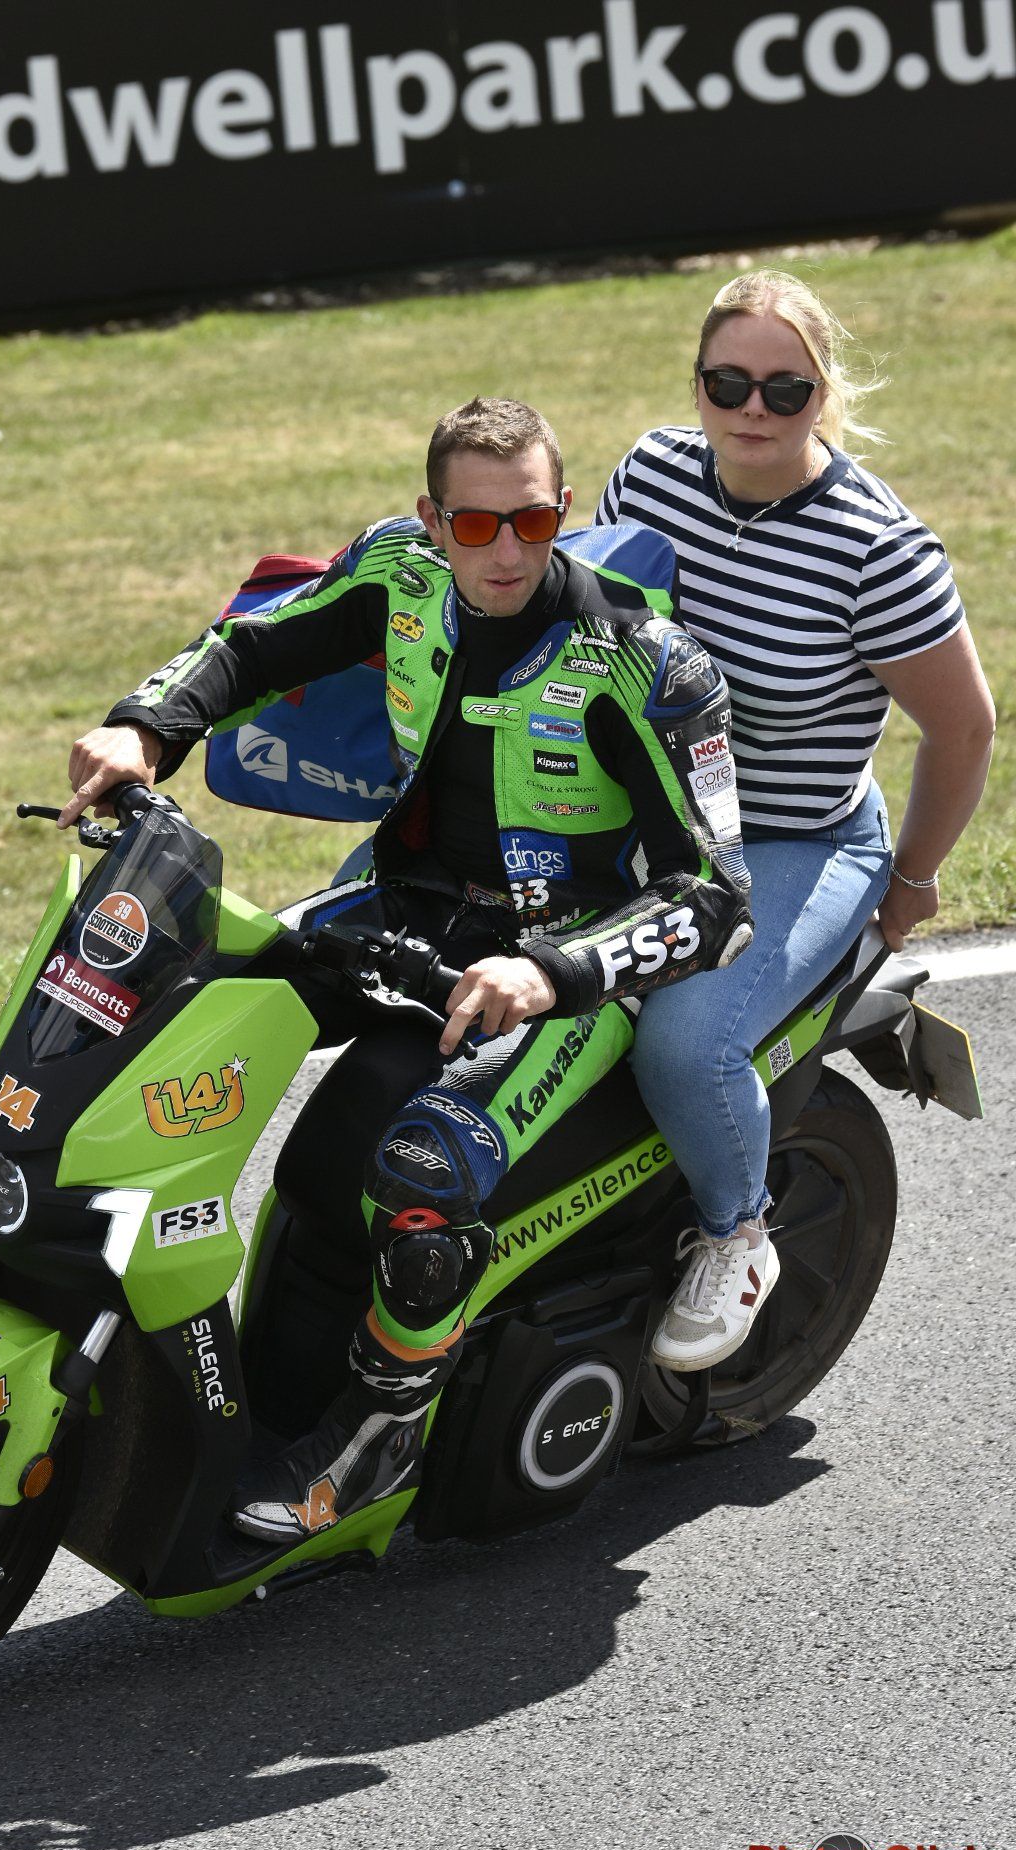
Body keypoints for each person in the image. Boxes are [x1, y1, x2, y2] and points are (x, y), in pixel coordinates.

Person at [60, 396, 754, 1544]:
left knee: (420, 1167)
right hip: (405, 907)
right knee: (155, 984)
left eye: (529, 523)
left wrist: (558, 975)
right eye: (474, 527)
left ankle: (378, 1437)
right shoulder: (395, 566)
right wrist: (145, 726)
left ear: (561, 513)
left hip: (562, 958)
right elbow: (249, 647)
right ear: (432, 519)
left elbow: (719, 899)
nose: (503, 552)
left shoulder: (644, 662)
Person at [594, 270, 995, 1374]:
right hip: (643, 822)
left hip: (796, 842)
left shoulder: (877, 551)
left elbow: (962, 732)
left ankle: (735, 1230)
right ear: (698, 384)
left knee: (686, 1043)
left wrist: (909, 882)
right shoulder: (650, 473)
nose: (753, 410)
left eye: (785, 389)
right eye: (729, 383)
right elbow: (585, 629)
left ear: (823, 395)